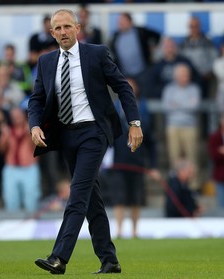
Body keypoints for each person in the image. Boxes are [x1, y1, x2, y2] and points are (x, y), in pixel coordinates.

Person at [29, 9, 143, 275]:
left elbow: (122, 87)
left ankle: (59, 257)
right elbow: (36, 99)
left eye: (67, 26)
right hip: (66, 135)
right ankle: (109, 259)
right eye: (57, 28)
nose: (63, 32)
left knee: (77, 194)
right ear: (51, 33)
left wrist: (134, 123)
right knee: (91, 198)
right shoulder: (46, 62)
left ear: (78, 28)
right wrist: (34, 125)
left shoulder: (96, 53)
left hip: (94, 132)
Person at [109, 77, 160, 239]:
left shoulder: (142, 112)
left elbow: (151, 142)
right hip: (118, 163)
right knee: (119, 198)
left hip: (137, 163)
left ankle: (135, 230)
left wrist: (153, 166)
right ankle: (118, 229)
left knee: (135, 198)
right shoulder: (113, 110)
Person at [161, 63, 201, 190]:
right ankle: (175, 185)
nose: (186, 77)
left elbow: (195, 107)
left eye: (187, 75)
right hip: (173, 126)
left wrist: (177, 105)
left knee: (192, 156)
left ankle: (193, 186)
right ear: (176, 76)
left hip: (190, 126)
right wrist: (186, 105)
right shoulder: (169, 89)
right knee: (174, 157)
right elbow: (166, 106)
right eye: (183, 75)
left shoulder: (194, 88)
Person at [0, 107, 40, 212]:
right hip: (11, 169)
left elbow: (38, 150)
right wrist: (5, 137)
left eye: (18, 116)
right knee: (11, 201)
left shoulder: (32, 129)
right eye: (14, 116)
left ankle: (31, 224)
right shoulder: (8, 131)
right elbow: (1, 150)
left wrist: (29, 134)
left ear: (24, 116)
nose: (17, 118)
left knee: (31, 201)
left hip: (29, 168)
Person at [110, 12, 160, 96]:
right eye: (119, 21)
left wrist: (153, 47)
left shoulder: (140, 31)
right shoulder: (116, 35)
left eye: (122, 21)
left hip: (142, 72)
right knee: (128, 96)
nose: (120, 23)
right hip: (125, 74)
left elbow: (156, 35)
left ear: (130, 21)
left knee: (145, 95)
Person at [179, 17, 217, 98]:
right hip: (189, 76)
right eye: (191, 26)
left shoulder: (207, 42)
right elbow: (181, 60)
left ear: (199, 27)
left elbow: (213, 58)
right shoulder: (184, 43)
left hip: (204, 76)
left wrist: (208, 71)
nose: (193, 29)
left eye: (196, 26)